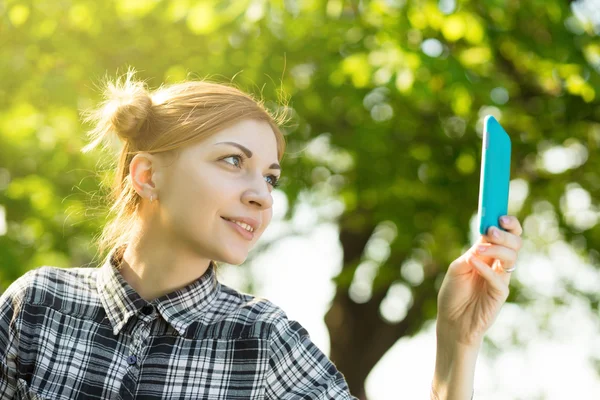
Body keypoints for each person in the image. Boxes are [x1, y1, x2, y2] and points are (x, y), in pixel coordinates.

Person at [0, 70, 523, 400]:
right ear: (147, 175)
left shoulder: (267, 344)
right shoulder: (37, 305)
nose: (262, 196)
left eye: (270, 178)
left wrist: (458, 343)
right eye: (233, 161)